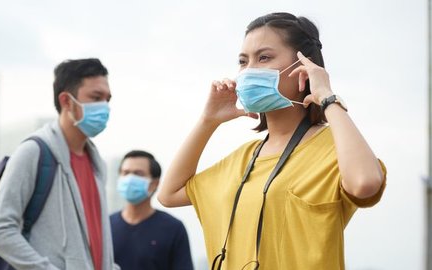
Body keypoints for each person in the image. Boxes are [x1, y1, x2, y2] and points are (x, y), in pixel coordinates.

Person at [157, 12, 387, 270]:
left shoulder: (333, 149)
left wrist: (327, 97)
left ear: (304, 67)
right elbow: (169, 194)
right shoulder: (244, 158)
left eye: (264, 57)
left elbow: (365, 183)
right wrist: (208, 121)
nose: (249, 70)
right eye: (243, 61)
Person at [0, 58, 119, 270]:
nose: (104, 107)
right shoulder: (34, 152)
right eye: (95, 97)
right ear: (66, 101)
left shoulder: (97, 164)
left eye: (107, 99)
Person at [110, 150, 194, 270]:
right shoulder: (105, 225)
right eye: (125, 173)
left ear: (154, 184)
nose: (129, 179)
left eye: (138, 173)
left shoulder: (173, 228)